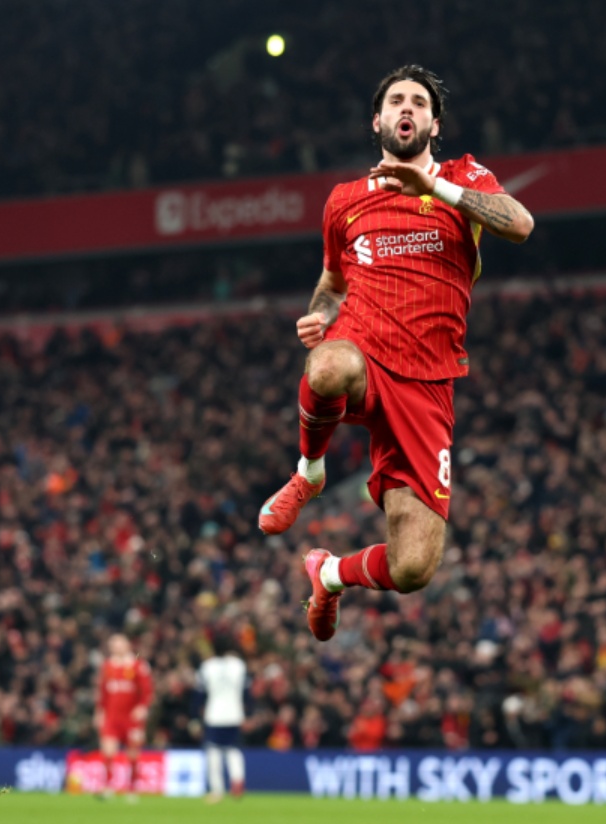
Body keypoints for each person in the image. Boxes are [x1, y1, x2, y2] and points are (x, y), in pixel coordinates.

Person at [256, 64, 534, 641]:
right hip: (363, 352)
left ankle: (328, 574)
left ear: (434, 124)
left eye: (419, 103)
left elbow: (521, 224)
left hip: (428, 383)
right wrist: (320, 316)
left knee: (413, 569)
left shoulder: (463, 176)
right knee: (328, 365)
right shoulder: (345, 200)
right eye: (396, 101)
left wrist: (434, 187)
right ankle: (309, 472)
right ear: (377, 120)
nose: (407, 108)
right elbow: (332, 284)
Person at [94, 634, 153, 801]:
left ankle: (132, 789)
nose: (117, 647)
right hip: (112, 717)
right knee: (108, 752)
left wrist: (143, 707)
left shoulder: (138, 665)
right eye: (114, 644)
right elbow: (103, 692)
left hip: (132, 718)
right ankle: (107, 787)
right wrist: (99, 711)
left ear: (128, 645)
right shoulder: (107, 666)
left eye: (120, 644)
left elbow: (147, 691)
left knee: (133, 754)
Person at [197, 637, 249, 803]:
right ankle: (237, 781)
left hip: (214, 714)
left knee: (213, 752)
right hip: (234, 714)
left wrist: (195, 716)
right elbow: (247, 692)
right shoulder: (239, 665)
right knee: (233, 750)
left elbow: (199, 693)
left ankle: (216, 790)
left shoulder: (207, 667)